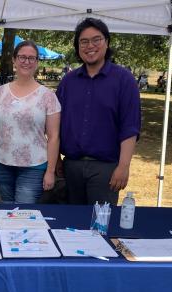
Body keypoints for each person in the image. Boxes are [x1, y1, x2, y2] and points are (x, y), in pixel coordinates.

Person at [56, 17, 141, 205]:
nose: (90, 46)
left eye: (96, 39)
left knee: (100, 227)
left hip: (106, 169)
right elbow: (55, 125)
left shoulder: (124, 80)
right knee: (71, 225)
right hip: (71, 166)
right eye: (84, 41)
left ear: (107, 42)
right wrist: (56, 160)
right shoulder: (68, 82)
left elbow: (130, 126)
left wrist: (123, 166)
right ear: (78, 46)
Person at [0, 40, 61, 204]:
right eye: (22, 57)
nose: (26, 62)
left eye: (31, 58)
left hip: (33, 166)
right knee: (6, 209)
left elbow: (54, 137)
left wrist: (50, 171)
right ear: (14, 60)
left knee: (23, 212)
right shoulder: (0, 92)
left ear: (37, 62)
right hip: (2, 163)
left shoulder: (48, 96)